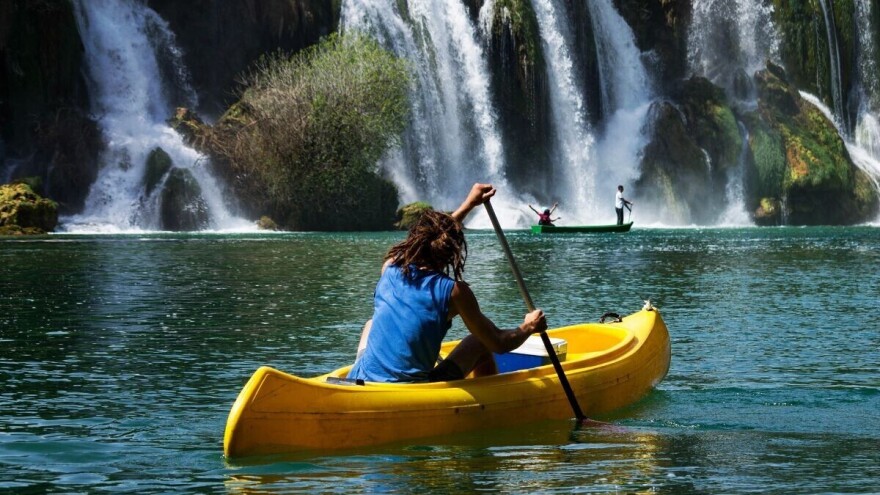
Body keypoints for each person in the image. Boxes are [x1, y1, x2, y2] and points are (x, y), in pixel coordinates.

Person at [350, 183, 548, 383]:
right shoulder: (454, 292)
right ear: (452, 252)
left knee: (371, 324)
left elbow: (431, 237)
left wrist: (468, 205)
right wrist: (529, 327)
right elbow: (498, 343)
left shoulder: (390, 268)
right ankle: (485, 406)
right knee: (480, 342)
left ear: (416, 240)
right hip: (409, 391)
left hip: (361, 380)